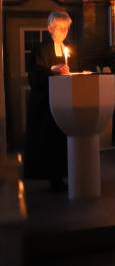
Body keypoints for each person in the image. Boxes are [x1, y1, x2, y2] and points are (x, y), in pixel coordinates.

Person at [24, 11, 75, 192]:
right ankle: (53, 178)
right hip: (45, 102)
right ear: (50, 29)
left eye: (65, 28)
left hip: (66, 100)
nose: (63, 32)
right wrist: (51, 69)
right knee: (48, 140)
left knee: (62, 140)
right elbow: (34, 74)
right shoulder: (41, 48)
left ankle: (64, 175)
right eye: (59, 28)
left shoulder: (68, 47)